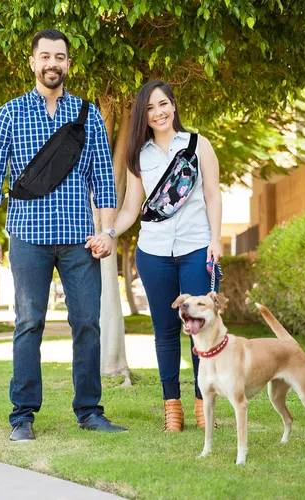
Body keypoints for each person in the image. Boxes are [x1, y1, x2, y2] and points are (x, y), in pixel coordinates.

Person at [0, 28, 127, 441]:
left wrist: (108, 230)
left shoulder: (87, 114)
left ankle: (89, 411)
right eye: (45, 57)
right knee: (28, 324)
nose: (52, 64)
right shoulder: (9, 114)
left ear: (68, 65)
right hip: (26, 236)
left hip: (80, 238)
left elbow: (103, 181)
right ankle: (22, 416)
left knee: (87, 324)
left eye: (59, 57)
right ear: (32, 62)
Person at [87, 80, 222, 431]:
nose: (158, 112)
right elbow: (132, 208)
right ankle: (171, 408)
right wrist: (110, 232)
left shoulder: (197, 145)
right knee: (164, 330)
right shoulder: (138, 155)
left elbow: (212, 195)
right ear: (142, 116)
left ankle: (201, 405)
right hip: (154, 252)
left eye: (163, 104)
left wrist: (217, 240)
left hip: (196, 248)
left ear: (174, 105)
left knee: (200, 329)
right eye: (149, 108)